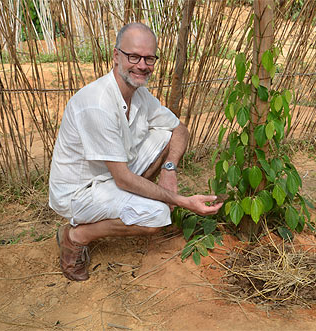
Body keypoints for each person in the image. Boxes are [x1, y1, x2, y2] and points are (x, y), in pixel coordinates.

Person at [49, 22, 223, 281]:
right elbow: (123, 178)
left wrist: (169, 169)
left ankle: (136, 202)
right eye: (134, 56)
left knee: (166, 135)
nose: (142, 65)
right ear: (116, 56)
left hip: (111, 177)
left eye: (149, 58)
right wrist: (181, 201)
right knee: (157, 216)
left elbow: (180, 130)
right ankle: (75, 236)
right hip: (80, 192)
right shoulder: (97, 104)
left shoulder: (139, 95)